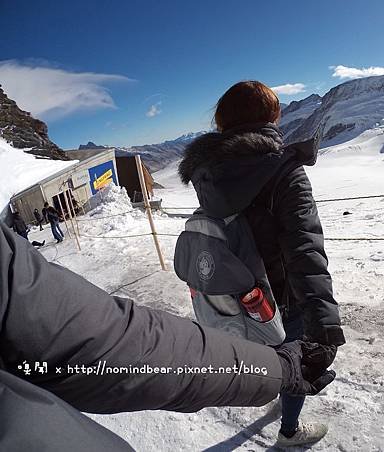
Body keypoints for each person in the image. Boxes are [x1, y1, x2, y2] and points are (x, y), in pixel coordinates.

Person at [0, 222, 335, 450]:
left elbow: (107, 349)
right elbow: (113, 347)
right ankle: (289, 427)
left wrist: (272, 369)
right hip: (282, 300)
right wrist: (280, 367)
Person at [179, 81, 346, 447]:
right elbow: (305, 250)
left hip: (239, 291)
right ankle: (288, 430)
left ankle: (277, 391)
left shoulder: (208, 174)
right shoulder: (283, 170)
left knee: (265, 349)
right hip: (281, 295)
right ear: (273, 116)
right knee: (297, 361)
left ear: (223, 123)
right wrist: (324, 325)